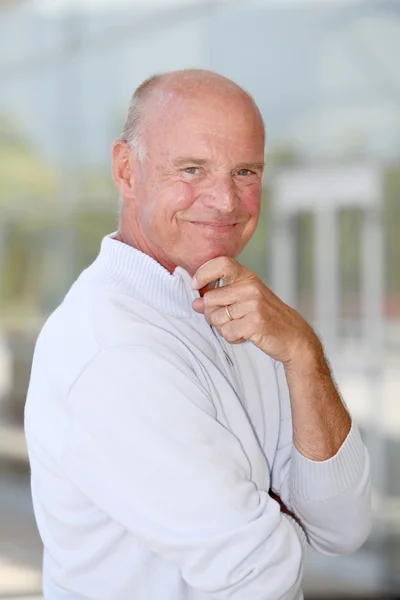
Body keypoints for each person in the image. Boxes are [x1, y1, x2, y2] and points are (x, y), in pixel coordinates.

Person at [25, 69, 371, 600]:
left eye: (245, 172)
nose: (226, 201)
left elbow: (343, 525)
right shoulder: (109, 349)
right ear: (126, 170)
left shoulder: (238, 309)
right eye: (192, 169)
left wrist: (304, 352)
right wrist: (279, 520)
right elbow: (260, 574)